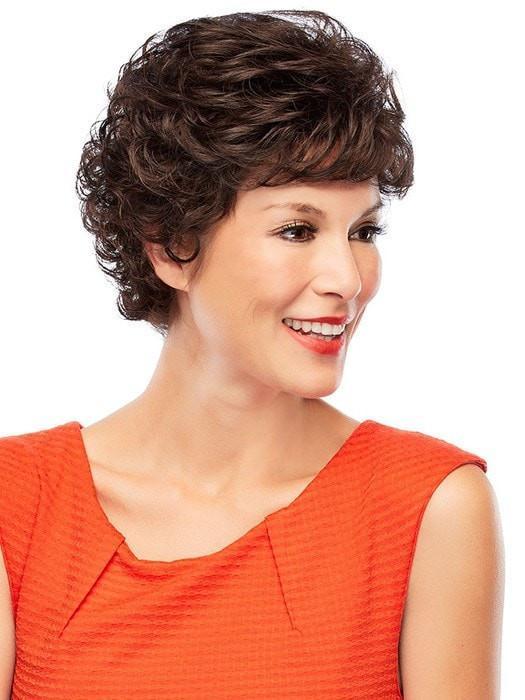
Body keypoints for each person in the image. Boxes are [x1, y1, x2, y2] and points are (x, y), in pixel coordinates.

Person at [0, 9, 503, 699]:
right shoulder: (17, 504)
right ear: (172, 245)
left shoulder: (429, 508)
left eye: (363, 231)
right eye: (297, 230)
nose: (347, 279)